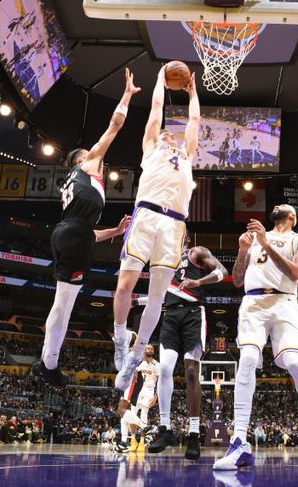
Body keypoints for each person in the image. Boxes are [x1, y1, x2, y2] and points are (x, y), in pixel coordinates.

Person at [213, 204, 298, 470]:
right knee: (248, 358)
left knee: (295, 362)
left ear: (292, 216)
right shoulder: (253, 239)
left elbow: (295, 272)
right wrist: (243, 252)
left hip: (284, 301)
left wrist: (265, 242)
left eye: (282, 205)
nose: (275, 205)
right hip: (253, 302)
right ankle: (239, 441)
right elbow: (238, 279)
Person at [33, 68, 139, 386]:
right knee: (63, 305)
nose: (100, 159)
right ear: (81, 160)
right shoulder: (89, 163)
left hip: (70, 232)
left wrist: (115, 233)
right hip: (72, 233)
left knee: (63, 302)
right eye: (91, 155)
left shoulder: (77, 183)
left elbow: (86, 231)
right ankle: (48, 365)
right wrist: (127, 95)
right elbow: (115, 126)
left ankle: (47, 362)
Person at [112, 67, 199, 391]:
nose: (168, 134)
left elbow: (193, 123)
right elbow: (156, 110)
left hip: (174, 223)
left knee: (156, 298)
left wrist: (192, 94)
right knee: (124, 288)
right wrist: (160, 80)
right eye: (164, 133)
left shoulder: (186, 155)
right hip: (146, 216)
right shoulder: (151, 148)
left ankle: (135, 355)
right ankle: (120, 337)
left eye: (170, 134)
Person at [147, 244, 227, 460]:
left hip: (193, 313)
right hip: (170, 315)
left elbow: (222, 272)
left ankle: (193, 434)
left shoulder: (196, 252)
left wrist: (198, 282)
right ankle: (165, 430)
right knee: (164, 368)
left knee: (191, 372)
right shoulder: (164, 259)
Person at [116, 345, 159, 453]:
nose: (149, 350)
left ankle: (142, 440)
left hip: (148, 390)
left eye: (151, 348)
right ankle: (132, 440)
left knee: (142, 415)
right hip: (136, 388)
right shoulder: (137, 359)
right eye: (148, 348)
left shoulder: (153, 364)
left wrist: (156, 396)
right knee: (129, 414)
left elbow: (159, 381)